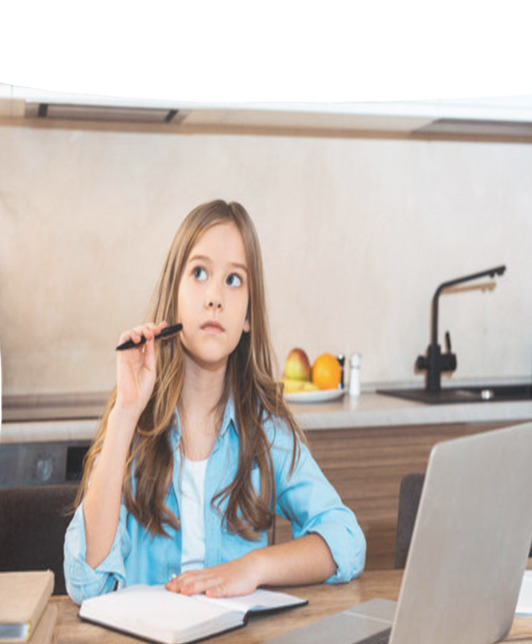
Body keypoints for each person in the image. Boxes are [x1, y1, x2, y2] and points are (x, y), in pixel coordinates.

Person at [64, 200, 365, 604]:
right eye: (200, 273)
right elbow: (87, 582)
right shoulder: (135, 425)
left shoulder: (265, 428)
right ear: (174, 297)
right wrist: (125, 414)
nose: (215, 297)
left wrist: (255, 567)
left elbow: (346, 539)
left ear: (247, 318)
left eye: (234, 280)